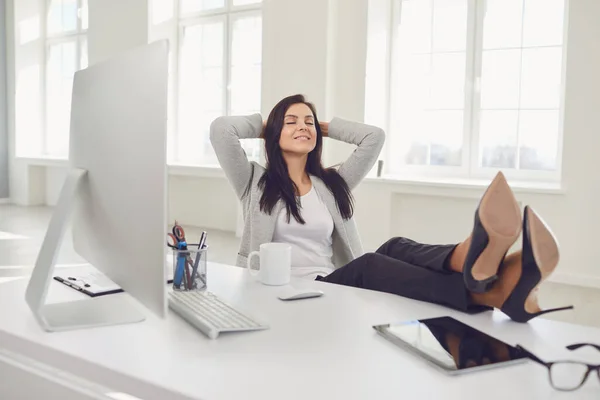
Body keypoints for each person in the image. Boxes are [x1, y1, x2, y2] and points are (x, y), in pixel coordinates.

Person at [210, 94, 573, 323]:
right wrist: (266, 124)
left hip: (327, 284)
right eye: (291, 122)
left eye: (308, 123)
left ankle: (471, 261)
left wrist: (323, 126)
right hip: (282, 292)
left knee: (395, 246)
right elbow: (221, 130)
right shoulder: (253, 182)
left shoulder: (331, 183)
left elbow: (374, 137)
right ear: (274, 135)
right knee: (370, 265)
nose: (303, 127)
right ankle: (486, 289)